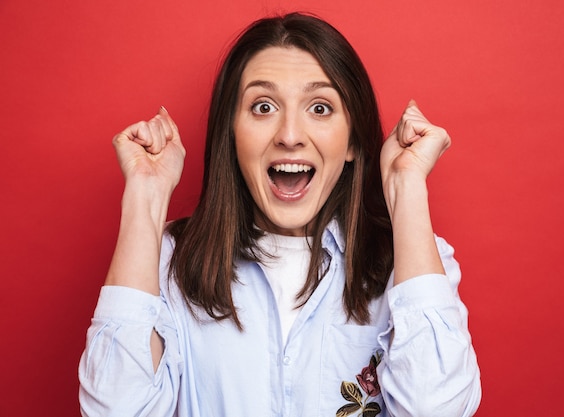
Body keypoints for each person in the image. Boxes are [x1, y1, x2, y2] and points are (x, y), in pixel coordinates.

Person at [79, 12, 481, 417]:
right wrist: (145, 196)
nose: (289, 135)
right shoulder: (167, 261)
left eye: (320, 108)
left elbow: (437, 410)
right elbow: (116, 410)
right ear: (231, 135)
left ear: (353, 142)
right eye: (264, 106)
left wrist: (406, 187)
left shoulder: (415, 262)